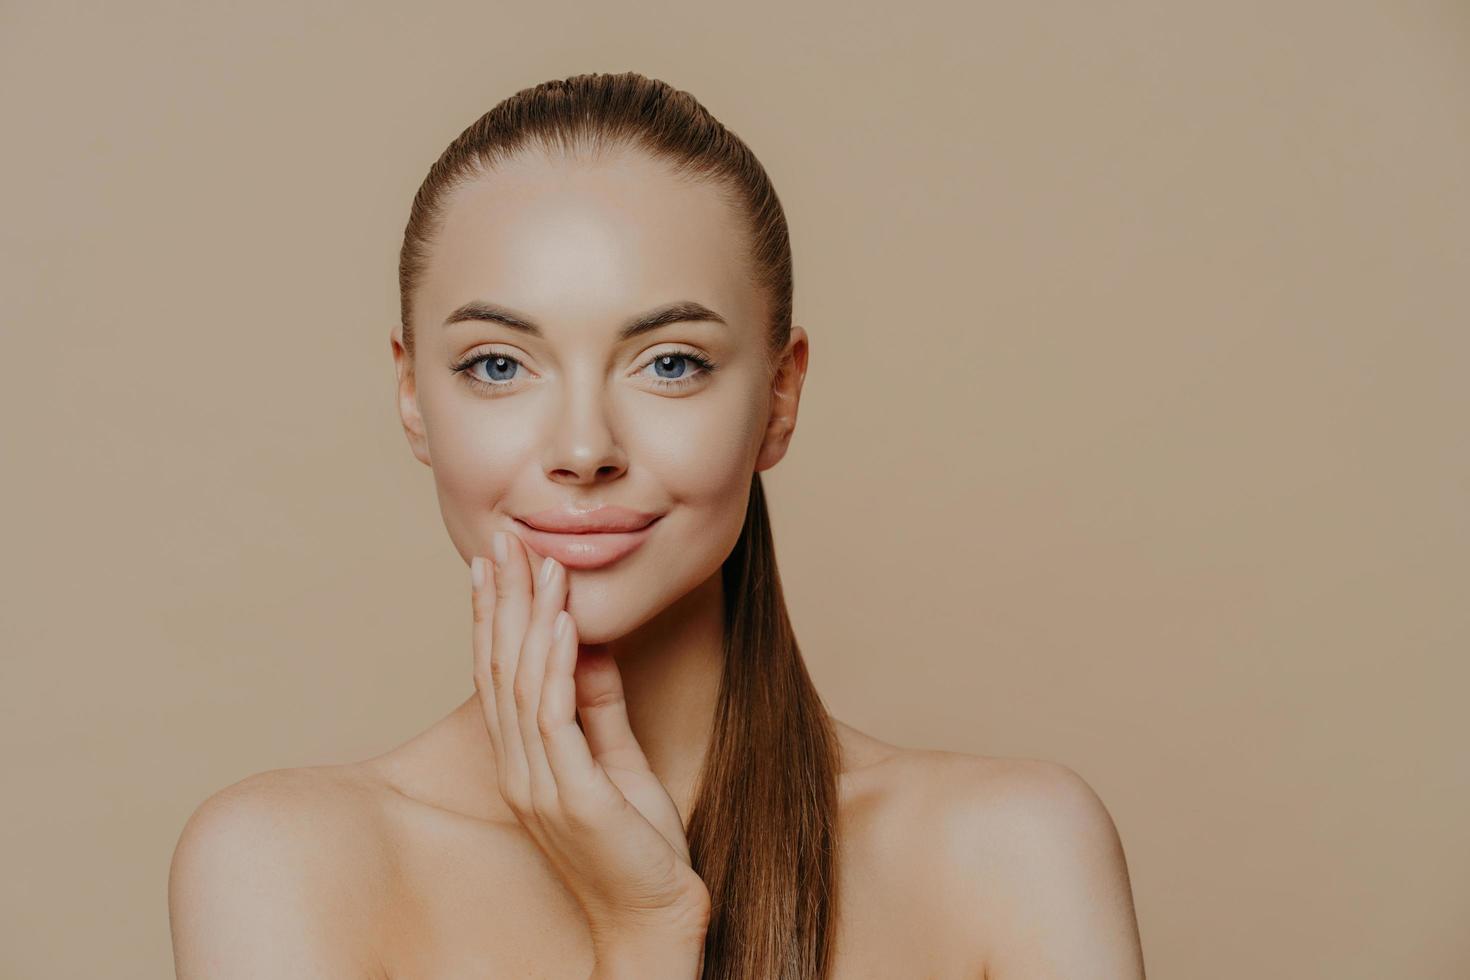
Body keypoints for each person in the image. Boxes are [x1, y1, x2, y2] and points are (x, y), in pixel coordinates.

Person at [168, 71, 1146, 979]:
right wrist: (643, 932)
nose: (584, 446)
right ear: (412, 394)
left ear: (780, 395)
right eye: (499, 363)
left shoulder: (1014, 851)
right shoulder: (283, 864)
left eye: (670, 361)